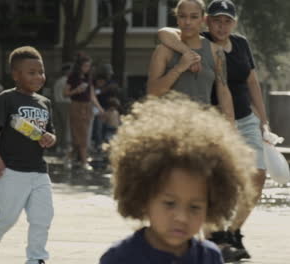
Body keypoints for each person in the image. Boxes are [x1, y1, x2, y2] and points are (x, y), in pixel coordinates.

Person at [157, 0, 269, 260]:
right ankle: (213, 238)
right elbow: (163, 32)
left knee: (258, 177)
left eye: (227, 20)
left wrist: (263, 119)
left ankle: (233, 231)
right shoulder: (200, 39)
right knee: (214, 182)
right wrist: (188, 53)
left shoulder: (240, 43)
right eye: (217, 20)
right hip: (214, 120)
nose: (222, 25)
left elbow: (252, 82)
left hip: (245, 119)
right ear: (207, 21)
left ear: (234, 23)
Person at [99, 92, 256, 264]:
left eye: (195, 207)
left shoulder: (209, 257)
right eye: (169, 203)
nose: (181, 217)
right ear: (143, 198)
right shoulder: (119, 259)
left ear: (212, 205)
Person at [0, 46, 56, 264]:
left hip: (38, 170)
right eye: (31, 72)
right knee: (7, 217)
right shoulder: (7, 98)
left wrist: (51, 138)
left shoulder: (45, 103)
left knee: (43, 217)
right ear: (15, 75)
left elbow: (50, 131)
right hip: (10, 170)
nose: (38, 76)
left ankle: (37, 258)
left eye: (40, 72)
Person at [146, 0, 234, 123]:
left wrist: (231, 128)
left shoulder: (216, 52)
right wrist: (179, 68)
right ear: (177, 18)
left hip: (202, 128)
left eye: (194, 17)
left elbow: (224, 92)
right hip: (167, 127)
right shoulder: (163, 51)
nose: (187, 22)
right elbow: (152, 93)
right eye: (182, 16)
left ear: (202, 20)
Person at [64, 53, 104, 170]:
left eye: (89, 66)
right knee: (78, 135)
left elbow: (92, 95)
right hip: (76, 106)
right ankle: (83, 161)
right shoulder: (72, 77)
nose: (87, 68)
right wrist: (76, 90)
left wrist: (100, 109)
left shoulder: (88, 77)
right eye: (85, 65)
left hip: (87, 107)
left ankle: (71, 157)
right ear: (79, 66)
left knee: (84, 135)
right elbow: (65, 93)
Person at [52, 62, 72, 155]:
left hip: (57, 103)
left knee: (58, 126)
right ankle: (64, 146)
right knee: (66, 126)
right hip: (65, 103)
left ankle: (58, 145)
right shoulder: (68, 81)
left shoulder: (58, 81)